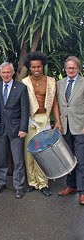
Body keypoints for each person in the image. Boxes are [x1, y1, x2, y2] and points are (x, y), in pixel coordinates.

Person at [21, 51, 62, 196]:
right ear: (29, 68)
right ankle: (32, 182)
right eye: (33, 67)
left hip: (45, 119)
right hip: (30, 121)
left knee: (43, 152)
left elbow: (55, 103)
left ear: (42, 66)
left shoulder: (51, 81)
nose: (36, 69)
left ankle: (43, 183)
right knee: (30, 152)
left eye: (39, 67)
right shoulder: (24, 82)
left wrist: (58, 121)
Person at [0, 62, 29, 199]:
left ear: (13, 73)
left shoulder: (21, 88)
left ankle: (19, 186)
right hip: (1, 129)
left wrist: (23, 128)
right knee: (2, 159)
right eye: (3, 72)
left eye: (8, 72)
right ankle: (1, 183)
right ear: (0, 73)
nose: (6, 75)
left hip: (16, 130)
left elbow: (25, 111)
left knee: (18, 160)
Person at [56, 56, 84, 205]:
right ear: (65, 69)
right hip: (65, 127)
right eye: (68, 68)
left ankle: (82, 191)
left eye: (73, 68)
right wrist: (58, 122)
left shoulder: (83, 82)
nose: (70, 70)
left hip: (80, 127)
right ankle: (71, 186)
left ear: (78, 68)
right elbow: (58, 105)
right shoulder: (60, 84)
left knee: (80, 160)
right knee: (68, 159)